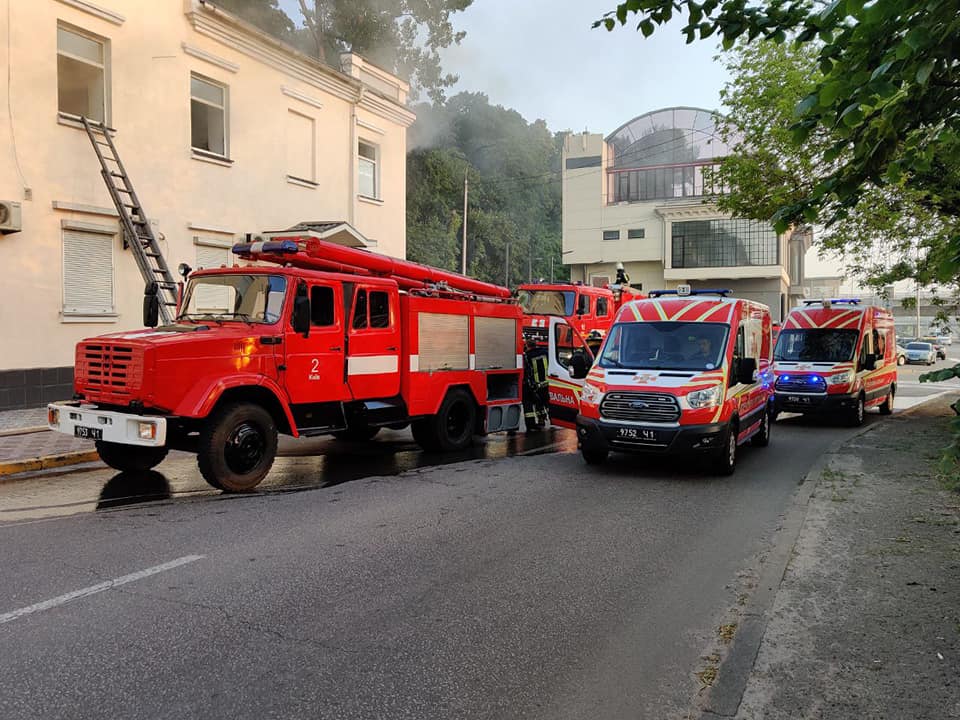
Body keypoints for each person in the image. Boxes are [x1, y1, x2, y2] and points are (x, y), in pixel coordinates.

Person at [522, 337, 550, 431]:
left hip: (536, 384)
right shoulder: (545, 352)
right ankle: (549, 419)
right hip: (546, 382)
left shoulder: (527, 356)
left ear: (527, 346)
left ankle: (540, 421)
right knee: (546, 403)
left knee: (537, 403)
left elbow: (528, 371)